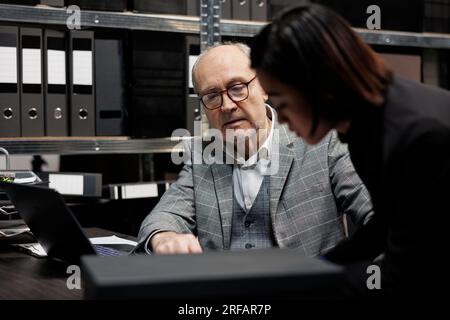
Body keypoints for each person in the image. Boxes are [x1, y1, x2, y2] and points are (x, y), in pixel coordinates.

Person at [250, 3, 450, 296]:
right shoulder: (363, 126)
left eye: (281, 104)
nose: (283, 120)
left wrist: (301, 285)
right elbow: (384, 228)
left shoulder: (419, 136)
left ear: (317, 85)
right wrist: (319, 266)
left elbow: (404, 277)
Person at [136, 43, 373, 257]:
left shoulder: (323, 140)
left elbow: (378, 213)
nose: (227, 105)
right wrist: (164, 235)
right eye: (211, 95)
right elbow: (165, 215)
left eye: (237, 87)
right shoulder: (203, 155)